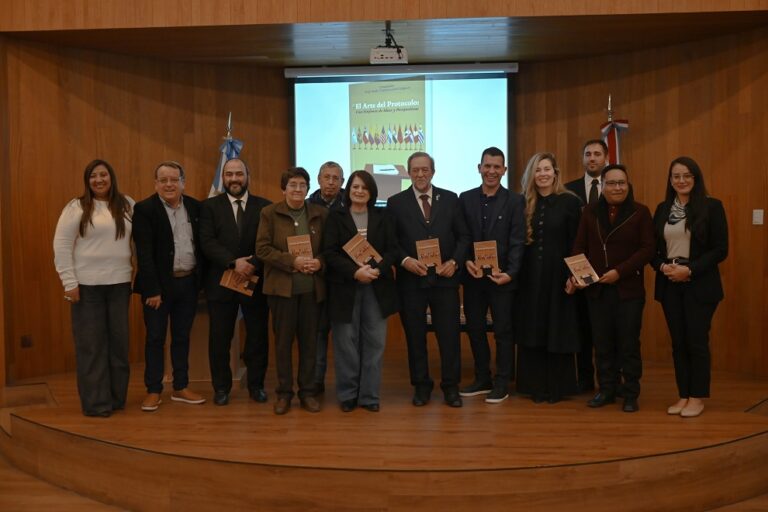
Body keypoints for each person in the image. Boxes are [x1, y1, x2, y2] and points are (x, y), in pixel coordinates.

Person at [387, 151, 470, 408]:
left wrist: (454, 262)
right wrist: (405, 261)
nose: (421, 174)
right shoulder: (395, 202)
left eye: (425, 170)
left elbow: (463, 237)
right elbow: (391, 242)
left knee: (449, 335)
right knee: (415, 336)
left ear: (433, 172)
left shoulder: (450, 199)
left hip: (445, 279)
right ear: (408, 172)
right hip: (411, 281)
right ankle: (421, 386)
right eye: (415, 170)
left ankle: (450, 387)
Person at [569, 164, 655, 412]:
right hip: (597, 290)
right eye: (612, 183)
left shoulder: (640, 212)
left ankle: (630, 393)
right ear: (603, 186)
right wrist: (583, 276)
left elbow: (647, 249)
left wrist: (620, 272)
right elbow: (578, 248)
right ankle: (606, 389)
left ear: (628, 186)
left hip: (628, 290)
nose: (617, 187)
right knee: (602, 343)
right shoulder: (589, 212)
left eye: (622, 183)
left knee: (628, 344)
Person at [53, 159, 134, 417]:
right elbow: (62, 245)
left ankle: (116, 398)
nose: (99, 180)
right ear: (87, 181)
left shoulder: (127, 204)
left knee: (119, 345)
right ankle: (97, 404)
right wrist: (70, 283)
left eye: (103, 175)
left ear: (112, 177)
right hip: (87, 288)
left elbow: (137, 243)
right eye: (93, 176)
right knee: (92, 346)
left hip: (120, 286)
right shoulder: (76, 207)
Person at [651, 156, 728, 418]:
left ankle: (697, 397)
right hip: (670, 281)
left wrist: (690, 270)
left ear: (695, 178)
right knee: (678, 342)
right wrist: (663, 267)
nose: (681, 180)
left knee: (696, 341)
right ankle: (683, 395)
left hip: (700, 284)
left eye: (686, 175)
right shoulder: (662, 209)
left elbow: (720, 249)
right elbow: (652, 250)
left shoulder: (712, 207)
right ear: (670, 180)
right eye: (676, 176)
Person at [322, 170, 398, 412]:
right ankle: (347, 394)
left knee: (375, 344)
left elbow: (393, 250)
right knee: (346, 343)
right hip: (345, 288)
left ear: (371, 192)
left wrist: (375, 270)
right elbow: (330, 253)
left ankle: (369, 396)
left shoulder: (383, 216)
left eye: (364, 187)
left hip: (377, 287)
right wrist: (355, 272)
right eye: (355, 187)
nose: (359, 191)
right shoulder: (335, 217)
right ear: (348, 190)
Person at [132, 161, 205, 412]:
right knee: (155, 338)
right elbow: (143, 253)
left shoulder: (195, 207)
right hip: (158, 289)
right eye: (163, 180)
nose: (169, 184)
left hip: (188, 283)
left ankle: (181, 387)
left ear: (183, 182)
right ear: (156, 184)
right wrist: (152, 290)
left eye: (174, 179)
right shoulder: (144, 209)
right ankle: (153, 390)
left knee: (182, 337)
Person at [199, 158, 272, 406]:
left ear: (247, 175)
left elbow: (269, 243)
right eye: (229, 174)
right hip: (221, 282)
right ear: (223, 177)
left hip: (256, 280)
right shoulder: (208, 207)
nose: (234, 179)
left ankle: (256, 385)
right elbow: (207, 242)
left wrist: (252, 263)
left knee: (257, 337)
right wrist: (233, 262)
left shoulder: (265, 207)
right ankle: (221, 388)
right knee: (220, 338)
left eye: (239, 174)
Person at [255, 167, 327, 415]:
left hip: (311, 290)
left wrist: (320, 262)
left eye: (302, 185)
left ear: (308, 189)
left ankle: (307, 392)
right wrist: (292, 261)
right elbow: (262, 250)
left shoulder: (319, 214)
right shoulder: (269, 213)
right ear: (283, 188)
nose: (298, 189)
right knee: (283, 344)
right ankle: (284, 393)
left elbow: (331, 249)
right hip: (282, 291)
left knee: (309, 344)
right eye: (293, 185)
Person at [458, 147, 525, 404]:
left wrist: (510, 273)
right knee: (474, 328)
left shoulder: (515, 201)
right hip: (473, 277)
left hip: (502, 278)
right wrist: (466, 262)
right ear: (479, 168)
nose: (492, 171)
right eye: (487, 166)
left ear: (504, 170)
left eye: (497, 167)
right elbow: (462, 237)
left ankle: (502, 382)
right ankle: (482, 378)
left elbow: (518, 241)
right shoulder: (465, 198)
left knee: (503, 331)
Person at [515, 152, 582, 404]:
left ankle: (557, 387)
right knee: (533, 327)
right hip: (529, 279)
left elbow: (578, 242)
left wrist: (573, 276)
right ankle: (535, 386)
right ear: (531, 175)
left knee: (557, 328)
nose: (542, 174)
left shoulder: (570, 202)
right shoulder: (522, 203)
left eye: (547, 169)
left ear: (556, 172)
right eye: (537, 169)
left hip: (559, 278)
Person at [565, 139, 609, 392]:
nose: (592, 158)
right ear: (583, 159)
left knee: (604, 331)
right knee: (582, 329)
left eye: (597, 154)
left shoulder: (616, 186)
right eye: (588, 154)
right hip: (579, 268)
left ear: (605, 158)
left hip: (608, 270)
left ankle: (608, 381)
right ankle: (584, 379)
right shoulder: (569, 190)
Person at [307, 161, 345, 394]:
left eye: (336, 178)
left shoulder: (351, 204)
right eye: (326, 177)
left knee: (345, 336)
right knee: (318, 333)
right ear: (319, 179)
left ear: (342, 182)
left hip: (344, 278)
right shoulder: (306, 205)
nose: (331, 182)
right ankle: (315, 382)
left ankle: (348, 386)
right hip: (317, 278)